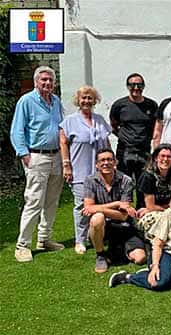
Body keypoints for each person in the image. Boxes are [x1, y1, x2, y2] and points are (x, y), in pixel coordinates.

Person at [109, 179, 171, 290]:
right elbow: (158, 244)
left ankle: (165, 275)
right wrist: (155, 265)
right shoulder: (170, 214)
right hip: (167, 252)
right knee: (160, 283)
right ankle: (127, 277)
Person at [10, 66, 65, 262]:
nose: (47, 83)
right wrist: (24, 155)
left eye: (50, 80)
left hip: (56, 156)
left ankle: (45, 239)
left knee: (51, 201)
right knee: (34, 201)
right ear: (36, 82)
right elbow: (16, 130)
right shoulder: (26, 101)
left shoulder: (56, 101)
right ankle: (22, 245)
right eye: (43, 80)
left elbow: (61, 128)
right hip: (36, 157)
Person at [60, 85, 112, 255]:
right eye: (83, 98)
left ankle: (97, 235)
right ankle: (80, 240)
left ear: (95, 100)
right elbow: (63, 143)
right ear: (78, 100)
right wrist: (66, 165)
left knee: (101, 204)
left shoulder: (100, 120)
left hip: (101, 171)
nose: (86, 101)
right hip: (80, 171)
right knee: (82, 206)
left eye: (90, 98)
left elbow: (107, 142)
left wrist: (113, 162)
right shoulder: (69, 121)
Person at [83, 148, 147, 273]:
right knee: (97, 218)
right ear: (97, 164)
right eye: (102, 160)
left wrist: (97, 208)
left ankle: (117, 252)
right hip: (103, 227)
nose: (106, 163)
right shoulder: (90, 180)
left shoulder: (126, 180)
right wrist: (117, 204)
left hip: (124, 225)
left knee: (140, 258)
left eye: (109, 159)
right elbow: (88, 207)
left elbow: (123, 216)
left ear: (115, 162)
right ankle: (100, 255)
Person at [110, 73, 158, 209]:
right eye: (132, 85)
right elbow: (114, 125)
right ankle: (125, 216)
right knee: (124, 184)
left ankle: (142, 214)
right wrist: (124, 136)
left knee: (144, 184)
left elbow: (156, 127)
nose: (136, 87)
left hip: (144, 152)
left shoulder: (151, 105)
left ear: (143, 86)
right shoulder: (119, 105)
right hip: (125, 151)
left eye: (139, 85)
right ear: (127, 86)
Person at [135, 143, 171, 236]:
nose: (165, 159)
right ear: (156, 158)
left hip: (167, 211)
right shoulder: (148, 176)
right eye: (162, 156)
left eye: (169, 157)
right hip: (147, 214)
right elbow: (151, 206)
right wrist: (170, 208)